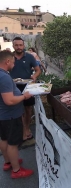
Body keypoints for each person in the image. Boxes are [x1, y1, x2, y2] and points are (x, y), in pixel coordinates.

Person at [0, 50, 34, 178]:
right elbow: (9, 100)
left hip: (2, 115)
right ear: (7, 61)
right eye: (13, 62)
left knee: (4, 139)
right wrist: (24, 96)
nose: (14, 65)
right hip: (10, 116)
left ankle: (8, 162)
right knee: (12, 143)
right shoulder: (4, 77)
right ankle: (16, 171)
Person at [10, 37, 41, 141]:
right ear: (13, 46)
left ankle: (27, 129)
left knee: (28, 109)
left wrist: (34, 76)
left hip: (27, 86)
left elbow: (38, 70)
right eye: (16, 45)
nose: (19, 47)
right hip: (13, 87)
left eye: (20, 45)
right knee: (17, 110)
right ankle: (21, 130)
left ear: (24, 46)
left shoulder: (29, 57)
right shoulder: (9, 58)